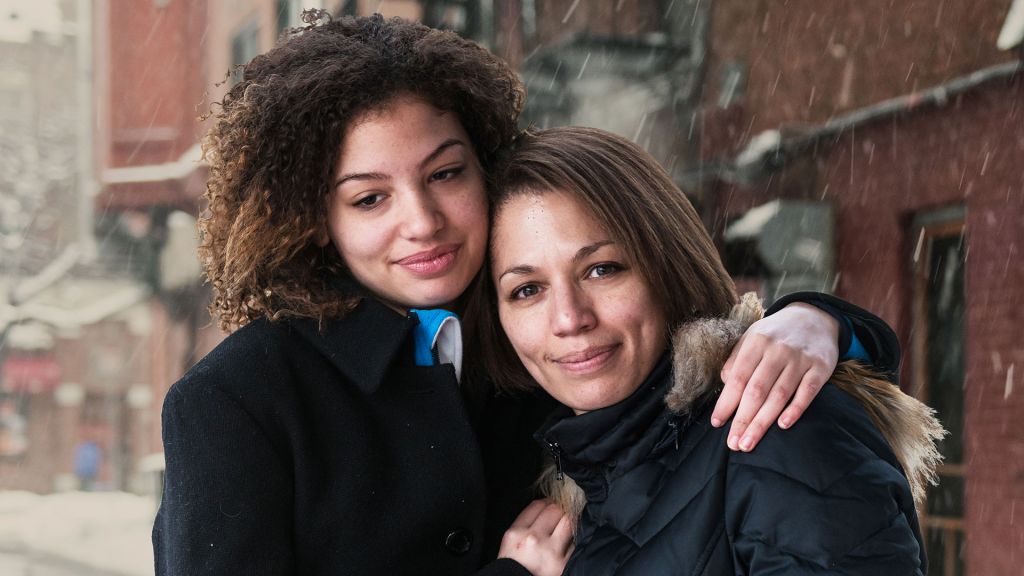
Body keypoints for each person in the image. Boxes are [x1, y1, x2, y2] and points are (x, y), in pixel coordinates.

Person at [153, 12, 904, 576]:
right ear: (317, 221)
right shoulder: (240, 400)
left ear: (484, 168)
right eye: (369, 199)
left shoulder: (532, 357)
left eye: (445, 173)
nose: (423, 222)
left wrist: (821, 319)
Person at [476, 126, 945, 575]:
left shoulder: (773, 426)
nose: (569, 318)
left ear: (667, 267)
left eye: (602, 269)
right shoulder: (569, 482)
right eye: (527, 290)